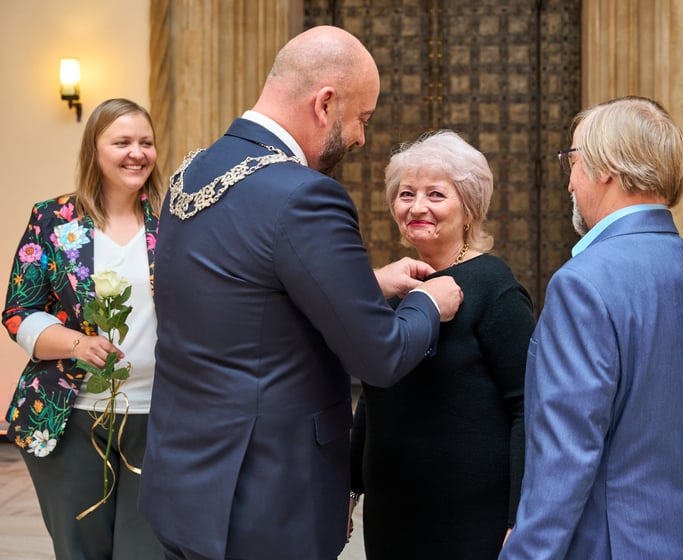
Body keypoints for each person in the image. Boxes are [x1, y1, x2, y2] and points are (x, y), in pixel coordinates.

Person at [137, 25, 463, 560]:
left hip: (184, 484)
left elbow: (237, 296)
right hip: (266, 499)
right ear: (325, 103)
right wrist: (430, 303)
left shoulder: (189, 171)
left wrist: (365, 284)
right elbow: (379, 354)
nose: (361, 138)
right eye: (362, 118)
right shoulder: (305, 196)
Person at [500, 96, 683, 559]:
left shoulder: (583, 284)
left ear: (605, 168)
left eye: (573, 159)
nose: (569, 182)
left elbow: (564, 459)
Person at [348, 131, 535, 558]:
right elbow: (373, 394)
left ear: (468, 207)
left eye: (435, 194)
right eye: (406, 194)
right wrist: (351, 488)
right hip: (392, 512)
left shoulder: (494, 287)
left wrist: (518, 516)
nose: (416, 207)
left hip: (469, 517)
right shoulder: (399, 284)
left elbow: (527, 405)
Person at [2, 98, 166, 559]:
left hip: (160, 416)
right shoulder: (52, 221)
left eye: (146, 142)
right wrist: (76, 343)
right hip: (68, 415)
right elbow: (20, 310)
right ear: (94, 150)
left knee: (148, 551)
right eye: (122, 142)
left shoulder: (175, 222)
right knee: (82, 551)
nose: (137, 153)